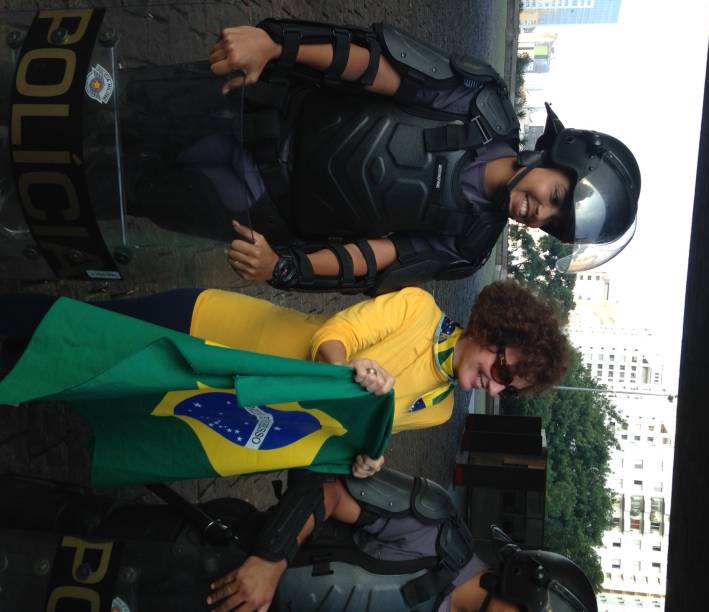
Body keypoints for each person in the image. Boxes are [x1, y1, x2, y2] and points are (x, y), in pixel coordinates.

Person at [130, 18, 641, 295]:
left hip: (258, 203)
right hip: (253, 112)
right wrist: (274, 46)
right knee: (132, 105)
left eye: (552, 221)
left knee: (134, 196)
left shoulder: (467, 245)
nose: (538, 213)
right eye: (554, 196)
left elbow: (372, 260)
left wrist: (283, 268)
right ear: (558, 155)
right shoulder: (479, 104)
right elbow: (370, 65)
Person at [0, 281, 568, 449]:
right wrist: (351, 369)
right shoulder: (419, 310)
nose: (495, 387)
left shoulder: (438, 411)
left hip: (225, 399)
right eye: (502, 368)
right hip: (215, 332)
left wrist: (364, 457)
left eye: (508, 387)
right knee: (82, 329)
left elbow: (346, 430)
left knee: (96, 380)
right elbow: (334, 335)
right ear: (490, 331)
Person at [0, 469, 598, 612]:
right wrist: (269, 561)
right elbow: (328, 485)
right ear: (518, 585)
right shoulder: (435, 526)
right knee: (70, 532)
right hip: (214, 555)